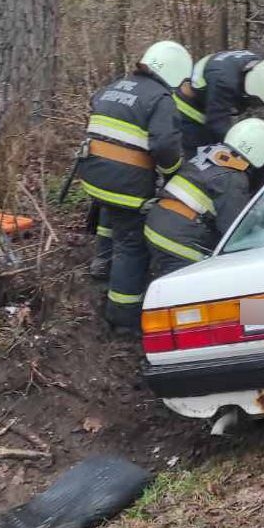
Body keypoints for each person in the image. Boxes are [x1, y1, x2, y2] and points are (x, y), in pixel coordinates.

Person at [77, 41, 191, 329]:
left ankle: (101, 262)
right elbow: (165, 145)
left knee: (111, 213)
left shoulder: (117, 85)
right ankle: (123, 317)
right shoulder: (161, 99)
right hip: (123, 183)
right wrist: (172, 173)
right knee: (131, 245)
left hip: (93, 175)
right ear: (175, 73)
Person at [145, 118, 264, 280]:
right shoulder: (233, 178)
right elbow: (233, 230)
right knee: (192, 290)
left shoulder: (211, 155)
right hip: (178, 238)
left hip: (158, 223)